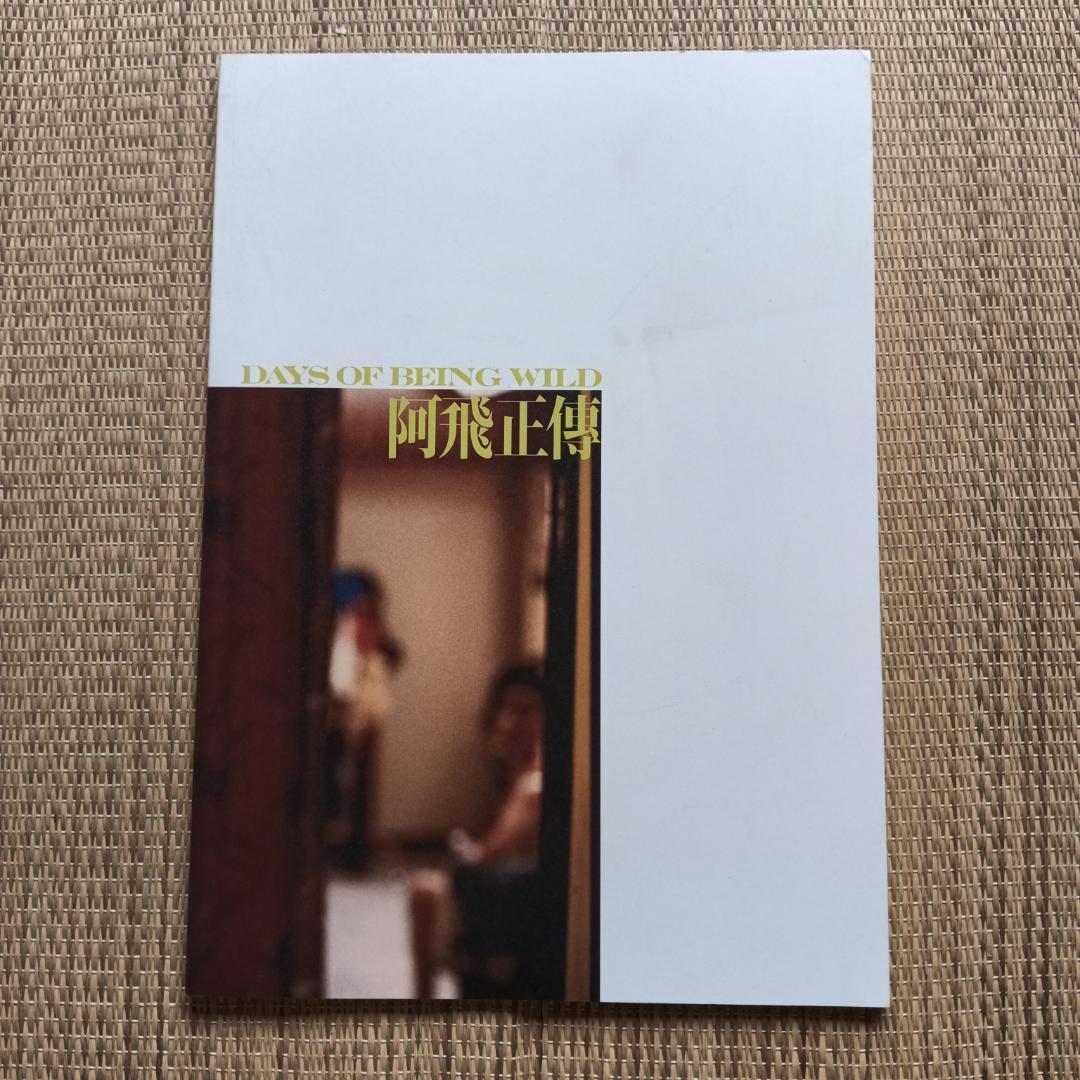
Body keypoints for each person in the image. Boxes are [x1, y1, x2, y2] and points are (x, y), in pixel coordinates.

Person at [407, 664, 545, 998]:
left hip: (514, 898)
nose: (509, 722)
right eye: (506, 709)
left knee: (425, 890)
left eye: (525, 711)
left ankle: (423, 994)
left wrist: (466, 852)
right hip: (502, 887)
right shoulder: (519, 776)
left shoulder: (533, 786)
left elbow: (491, 854)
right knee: (428, 886)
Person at [325, 569, 401, 870]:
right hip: (344, 714)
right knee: (341, 784)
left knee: (362, 787)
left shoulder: (372, 630)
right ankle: (346, 845)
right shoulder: (344, 628)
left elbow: (392, 655)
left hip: (369, 712)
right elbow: (341, 675)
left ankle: (359, 846)